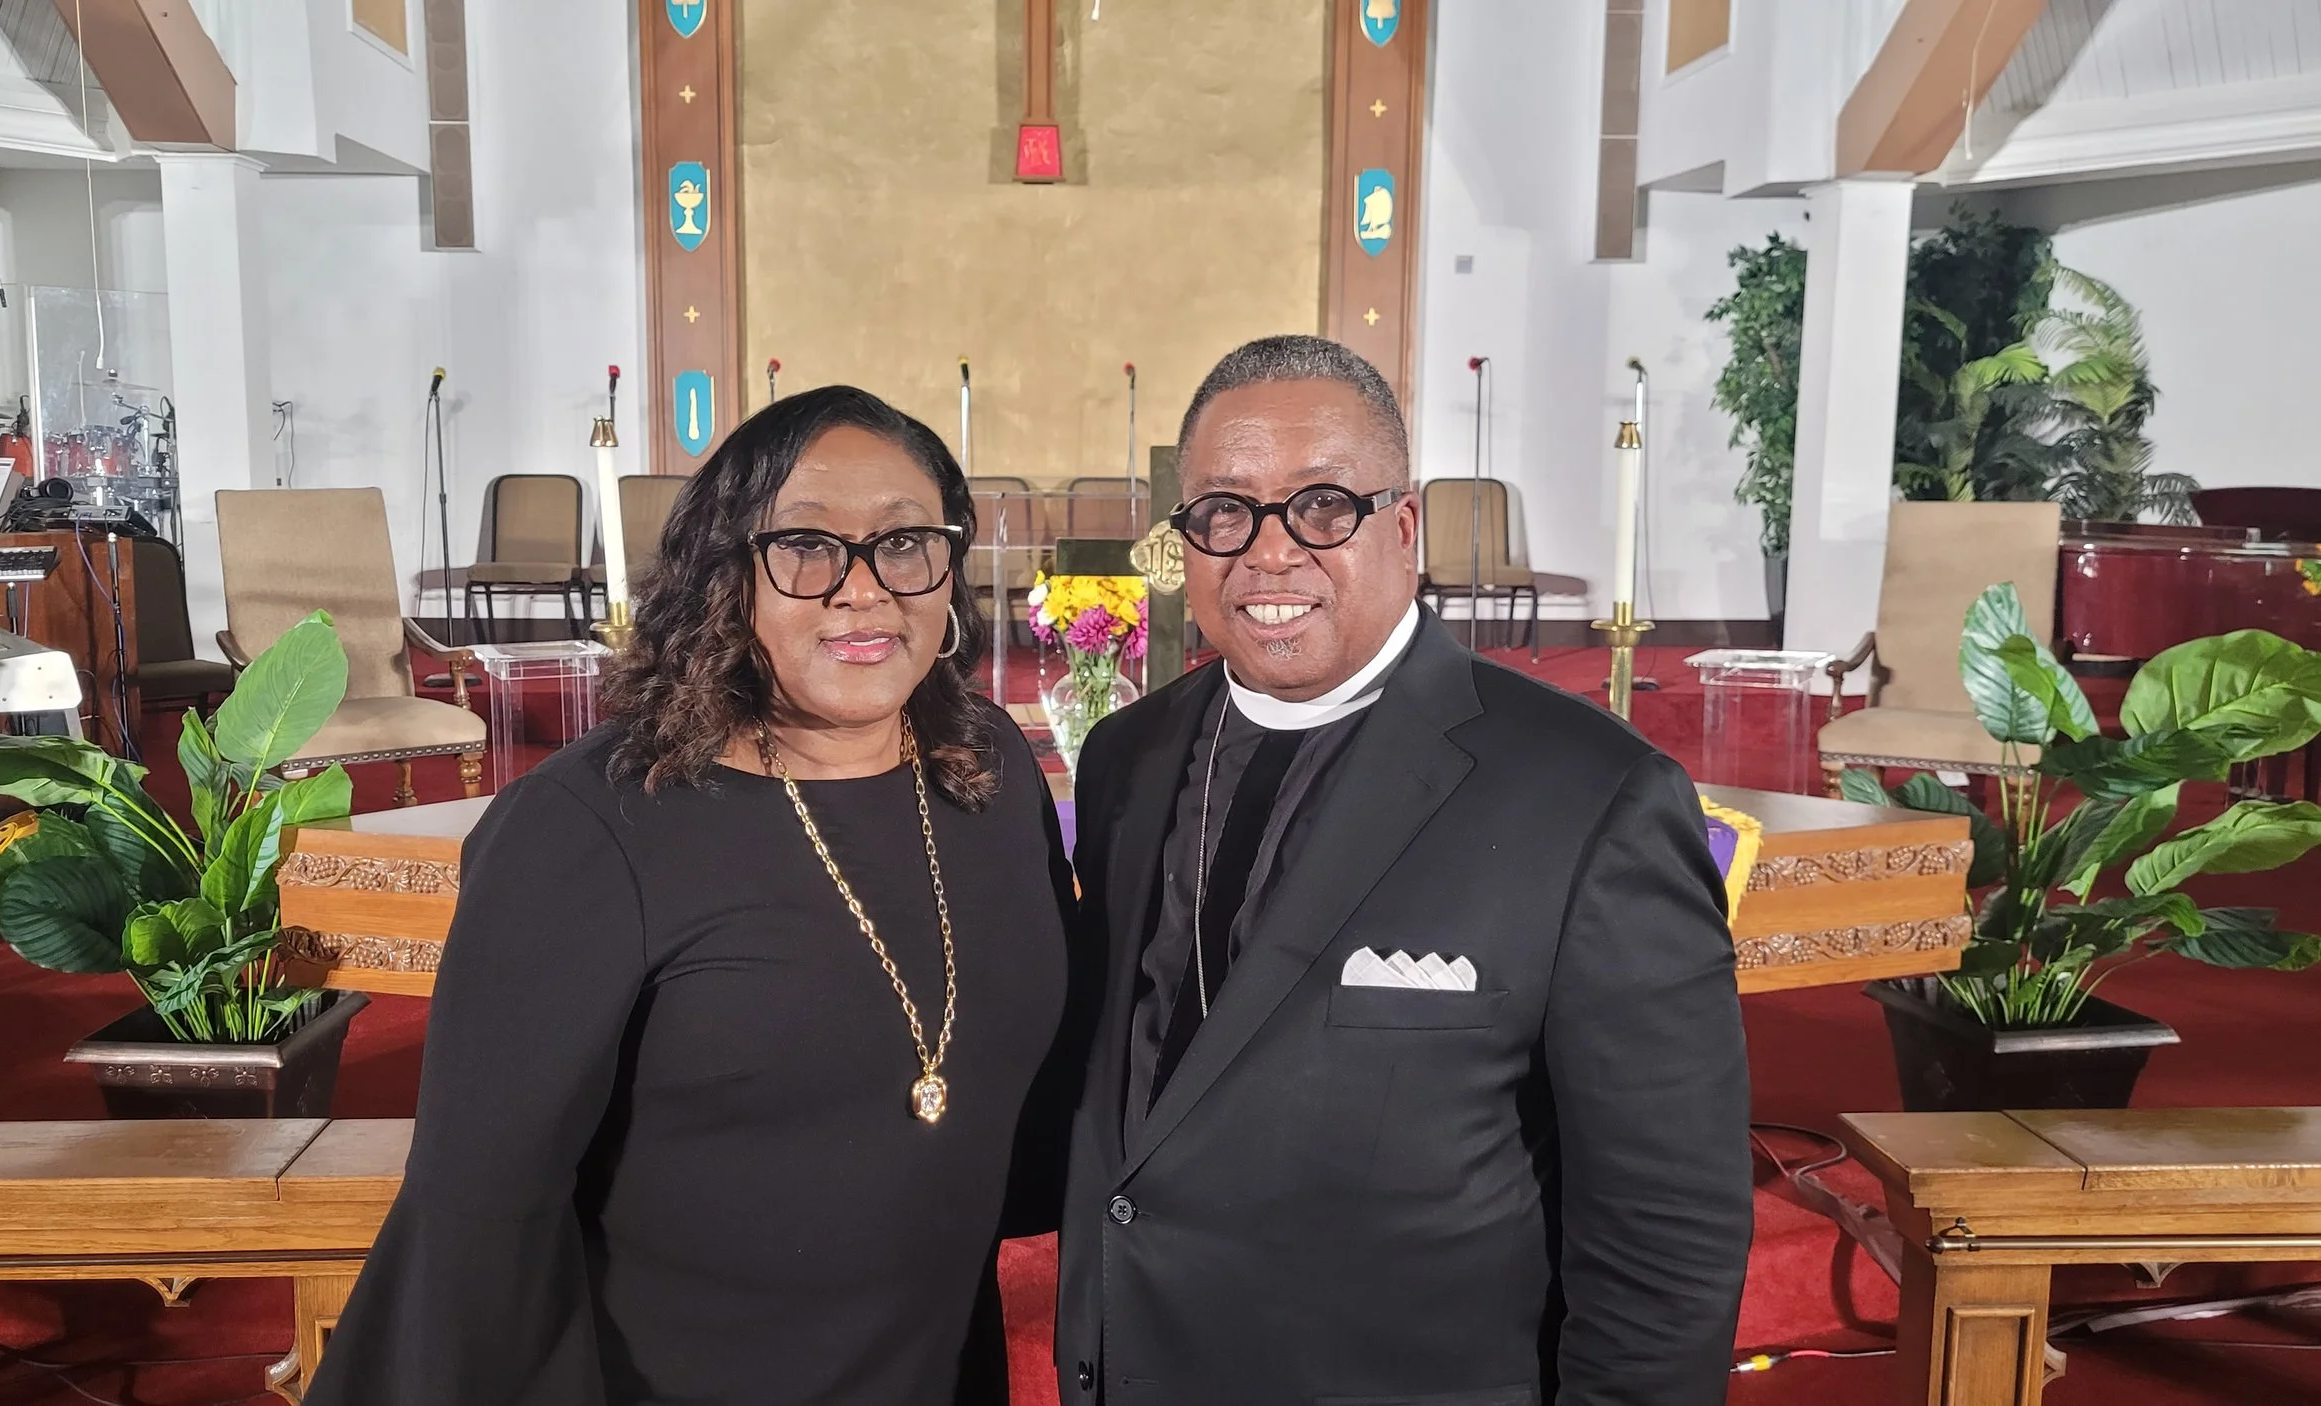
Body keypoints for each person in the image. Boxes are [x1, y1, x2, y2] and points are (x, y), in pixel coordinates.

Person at [310, 386, 1075, 1405]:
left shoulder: (988, 776)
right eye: (804, 544)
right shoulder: (591, 826)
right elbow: (480, 1218)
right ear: (728, 576)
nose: (862, 589)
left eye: (904, 543)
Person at [1054, 336, 1752, 1405]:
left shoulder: (1587, 796)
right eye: (1223, 511)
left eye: (1323, 504)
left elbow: (1666, 1230)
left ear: (1406, 526)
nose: (1268, 553)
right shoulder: (1125, 757)